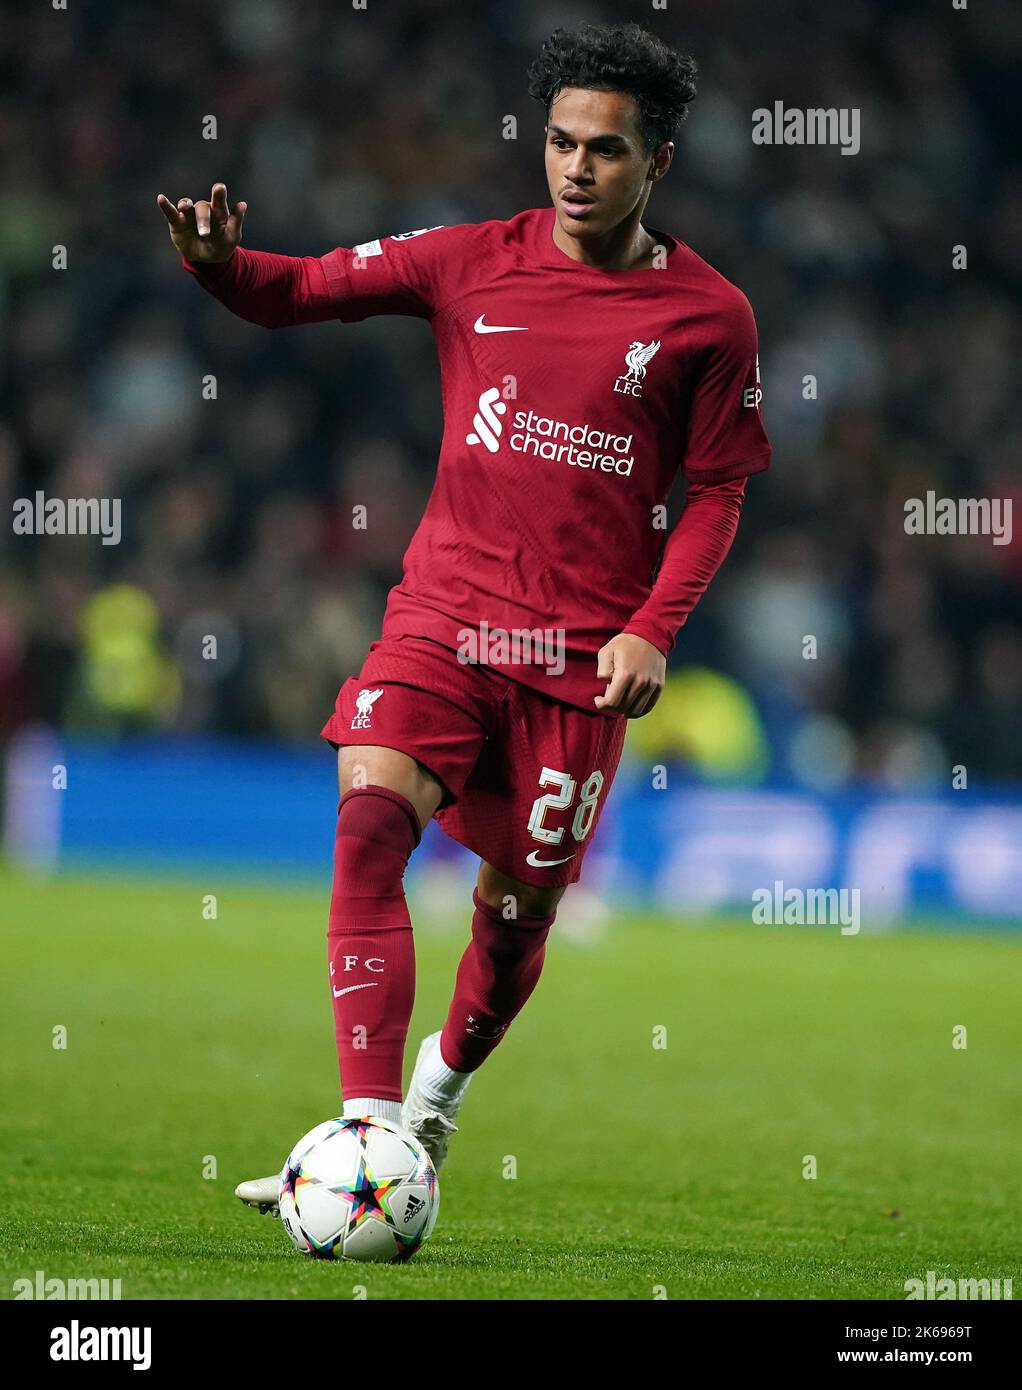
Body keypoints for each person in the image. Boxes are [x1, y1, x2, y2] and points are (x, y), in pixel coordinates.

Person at [156, 21, 771, 1214]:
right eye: (556, 143)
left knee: (514, 914)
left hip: (575, 662)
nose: (573, 168)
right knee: (368, 817)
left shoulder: (709, 318)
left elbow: (720, 491)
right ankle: (363, 1136)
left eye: (602, 149)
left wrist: (652, 626)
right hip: (443, 618)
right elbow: (301, 291)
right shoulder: (468, 259)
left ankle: (436, 1096)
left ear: (658, 165)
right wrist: (218, 264)